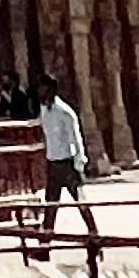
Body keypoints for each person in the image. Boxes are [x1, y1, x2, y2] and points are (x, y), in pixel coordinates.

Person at [33, 76, 98, 254]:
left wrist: (80, 164)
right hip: (52, 162)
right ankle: (44, 247)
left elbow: (75, 139)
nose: (41, 93)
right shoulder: (44, 110)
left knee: (81, 202)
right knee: (50, 206)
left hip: (67, 163)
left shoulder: (64, 112)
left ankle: (95, 238)